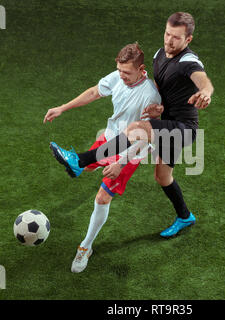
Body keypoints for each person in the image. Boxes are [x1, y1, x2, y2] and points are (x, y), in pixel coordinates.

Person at [50, 12, 214, 239]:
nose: (169, 40)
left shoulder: (189, 61)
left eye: (176, 37)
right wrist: (160, 109)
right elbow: (161, 89)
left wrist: (206, 92)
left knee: (137, 129)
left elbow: (202, 80)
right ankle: (185, 216)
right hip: (165, 122)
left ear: (188, 40)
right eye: (167, 33)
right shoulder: (159, 55)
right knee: (162, 177)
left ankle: (80, 160)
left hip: (183, 128)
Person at [44, 43, 162, 273]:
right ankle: (79, 164)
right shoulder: (119, 76)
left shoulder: (150, 95)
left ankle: (85, 247)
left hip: (131, 151)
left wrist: (120, 163)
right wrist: (62, 108)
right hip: (108, 139)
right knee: (86, 168)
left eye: (127, 73)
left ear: (141, 69)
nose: (122, 76)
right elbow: (94, 92)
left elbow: (144, 137)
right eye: (119, 71)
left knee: (101, 198)